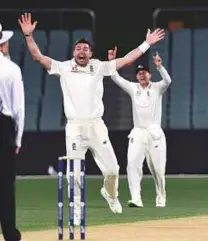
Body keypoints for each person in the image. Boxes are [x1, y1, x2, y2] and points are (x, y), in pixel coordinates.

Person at [18, 12, 165, 223]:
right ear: (73, 52)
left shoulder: (98, 66)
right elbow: (38, 57)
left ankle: (111, 194)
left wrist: (146, 44)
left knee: (113, 170)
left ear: (91, 53)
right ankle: (77, 212)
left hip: (97, 126)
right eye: (78, 48)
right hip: (75, 127)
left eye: (85, 49)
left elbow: (125, 60)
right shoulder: (64, 67)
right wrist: (29, 36)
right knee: (75, 173)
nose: (81, 51)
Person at [108, 47, 171, 208]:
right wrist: (111, 62)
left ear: (150, 74)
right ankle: (136, 198)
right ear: (137, 75)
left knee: (157, 169)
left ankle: (161, 198)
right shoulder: (133, 88)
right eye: (139, 73)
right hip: (138, 132)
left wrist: (159, 67)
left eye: (145, 73)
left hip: (155, 133)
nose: (142, 75)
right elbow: (115, 77)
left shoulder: (157, 88)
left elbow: (168, 81)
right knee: (132, 164)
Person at [0, 23, 25, 240]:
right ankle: (9, 234)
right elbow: (19, 108)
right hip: (3, 127)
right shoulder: (11, 69)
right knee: (6, 185)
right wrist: (17, 138)